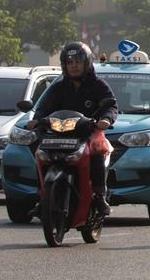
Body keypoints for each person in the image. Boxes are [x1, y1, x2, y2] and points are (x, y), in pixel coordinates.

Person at [28, 42, 117, 217]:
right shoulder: (58, 87)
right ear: (64, 65)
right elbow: (43, 108)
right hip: (59, 134)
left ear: (87, 63)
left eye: (77, 61)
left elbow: (111, 106)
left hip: (88, 133)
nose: (73, 65)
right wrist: (37, 121)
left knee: (98, 152)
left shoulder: (98, 85)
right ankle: (42, 198)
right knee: (40, 153)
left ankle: (99, 197)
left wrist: (106, 120)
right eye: (69, 62)